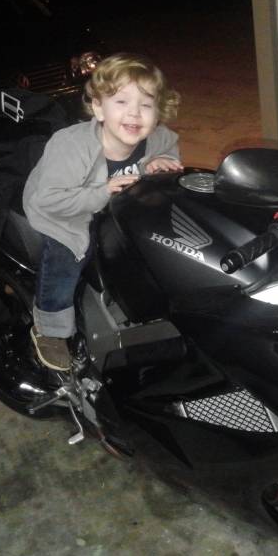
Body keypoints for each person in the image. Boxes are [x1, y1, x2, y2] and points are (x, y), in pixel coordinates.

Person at [22, 53, 183, 370]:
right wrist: (102, 191)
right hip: (63, 209)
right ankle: (50, 329)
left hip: (115, 205)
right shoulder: (70, 146)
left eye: (146, 104)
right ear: (98, 107)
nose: (134, 113)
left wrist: (160, 161)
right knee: (69, 255)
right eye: (121, 101)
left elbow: (168, 147)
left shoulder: (158, 136)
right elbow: (48, 201)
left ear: (158, 112)